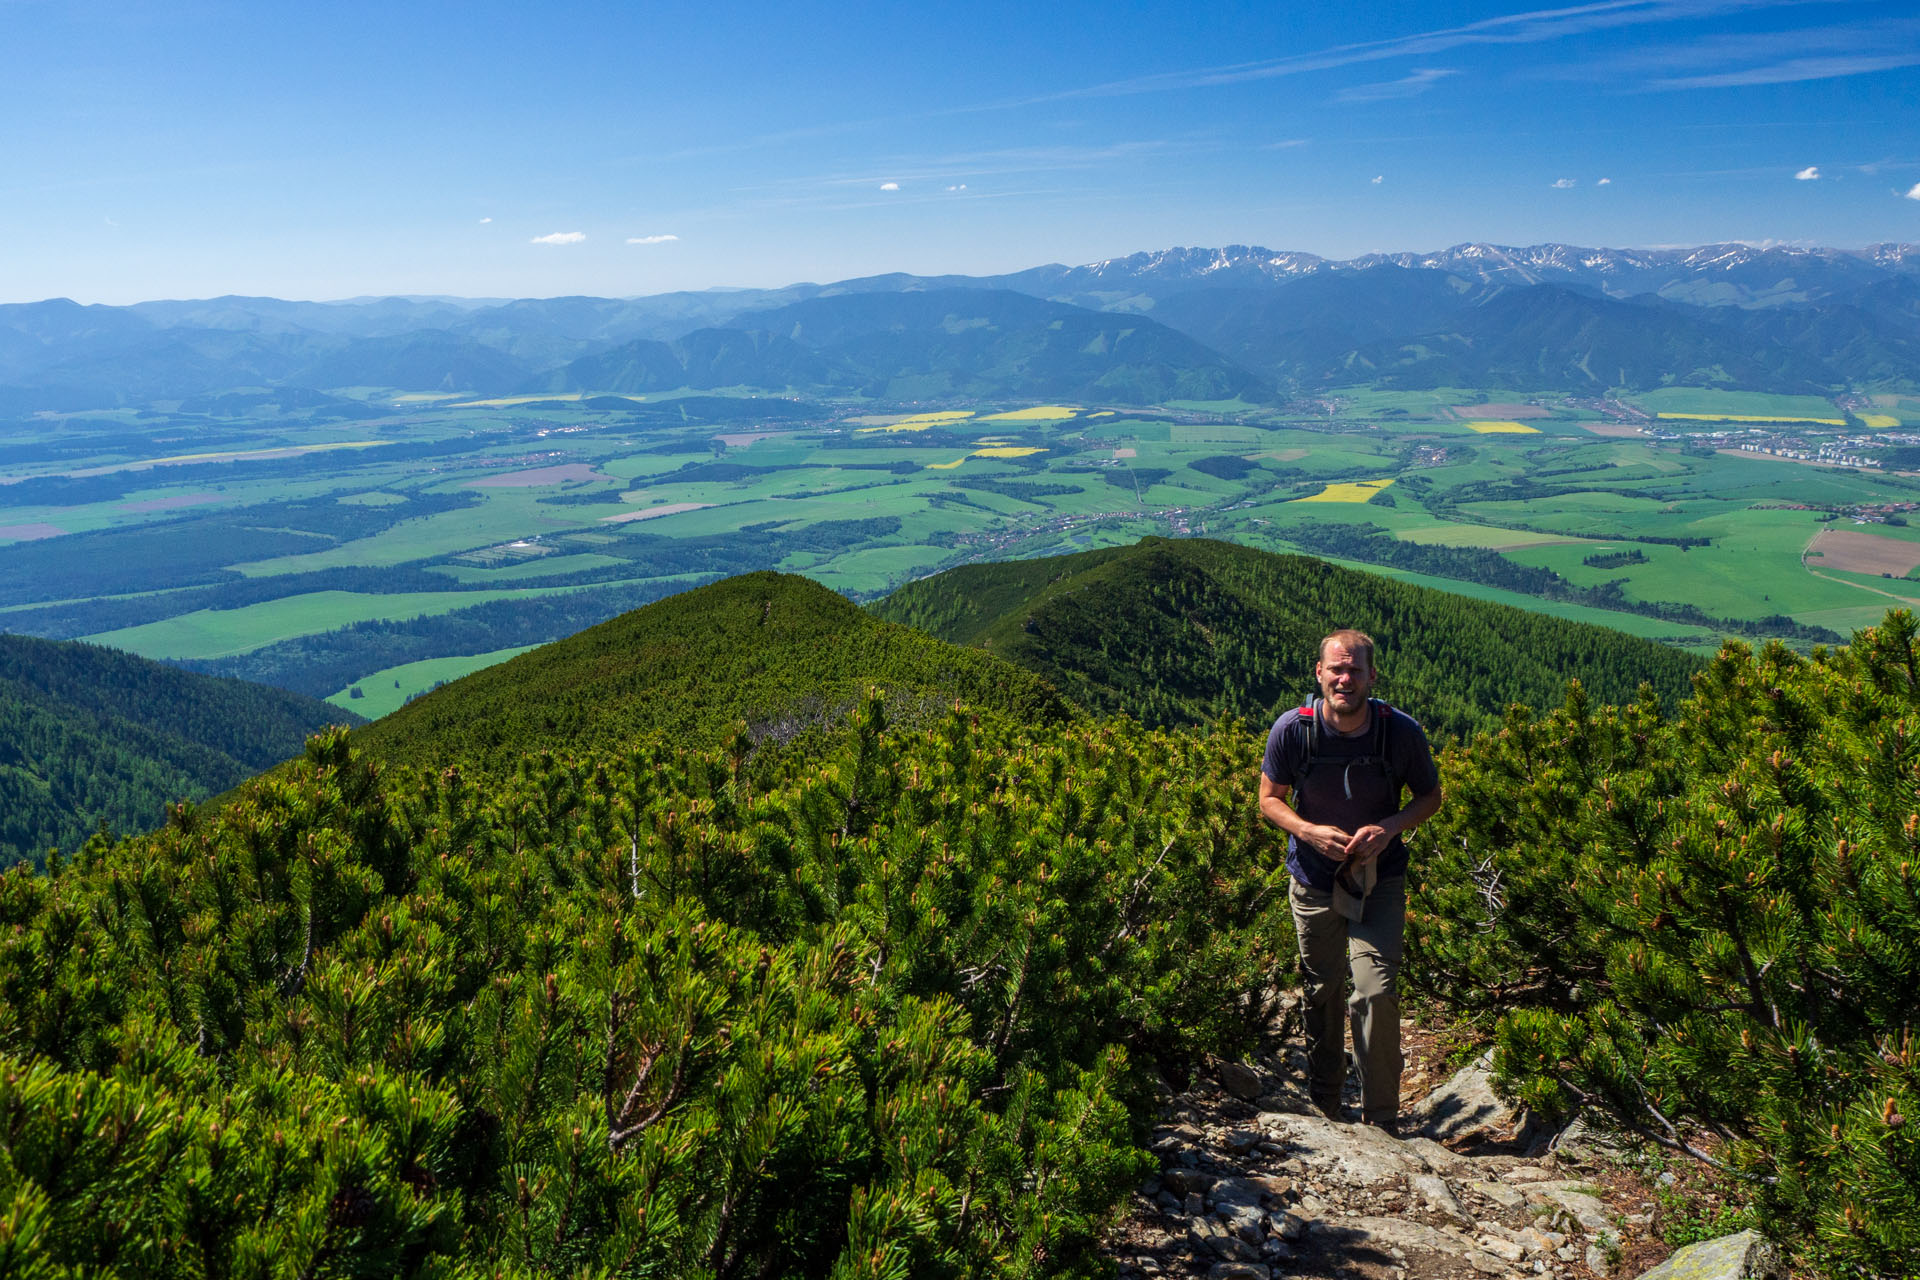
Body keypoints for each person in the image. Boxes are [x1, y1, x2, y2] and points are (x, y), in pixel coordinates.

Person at [1258, 629, 1443, 1130]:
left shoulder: (1399, 733)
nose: (1344, 680)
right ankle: (1326, 1105)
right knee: (1322, 990)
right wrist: (1308, 831)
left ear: (1372, 677)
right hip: (1314, 878)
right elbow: (1269, 798)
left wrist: (1390, 827)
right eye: (1335, 670)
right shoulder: (1292, 731)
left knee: (1374, 991)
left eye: (1354, 671)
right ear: (1318, 673)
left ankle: (1380, 1119)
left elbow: (1430, 796)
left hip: (1378, 879)